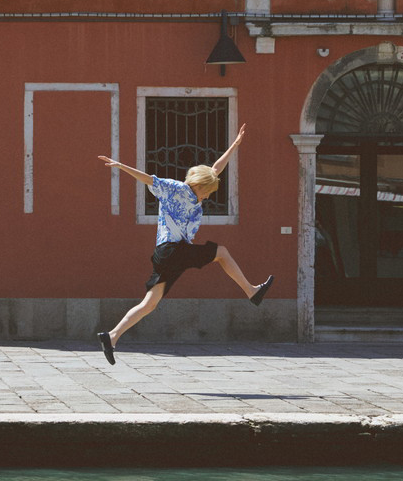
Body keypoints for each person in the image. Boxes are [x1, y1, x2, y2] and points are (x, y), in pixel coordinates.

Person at [95, 123, 272, 365]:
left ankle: (112, 336)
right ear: (199, 186)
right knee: (221, 252)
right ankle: (251, 291)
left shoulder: (197, 191)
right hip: (172, 250)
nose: (208, 196)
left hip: (166, 254)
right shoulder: (175, 188)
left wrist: (234, 145)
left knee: (149, 304)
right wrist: (121, 166)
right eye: (208, 192)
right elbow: (149, 179)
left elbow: (215, 169)